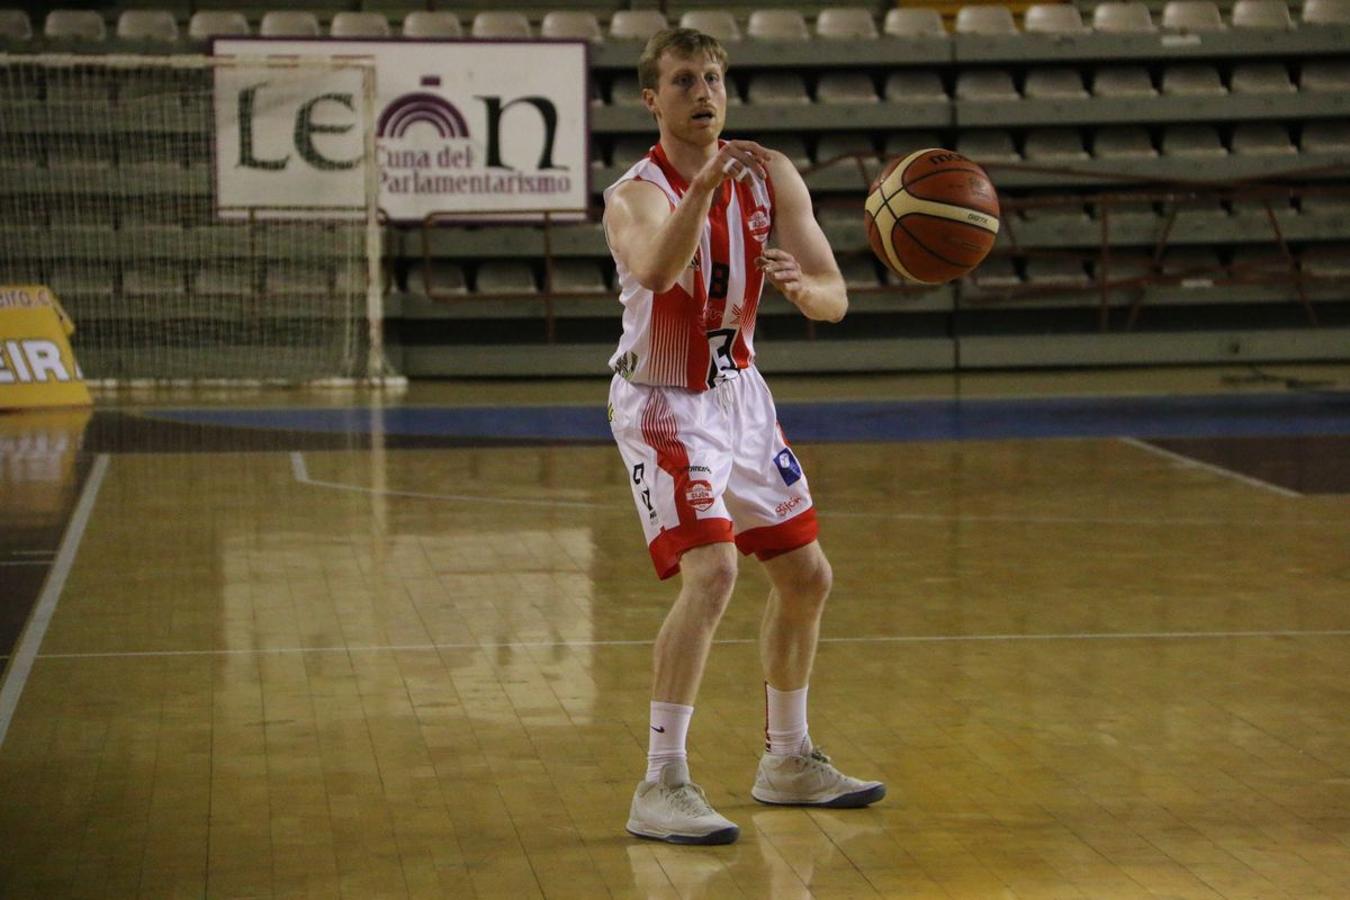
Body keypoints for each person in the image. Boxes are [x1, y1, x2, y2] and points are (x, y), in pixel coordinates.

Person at [603, 27, 886, 846]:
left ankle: (788, 759)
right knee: (716, 569)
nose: (705, 93)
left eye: (715, 78)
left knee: (806, 576)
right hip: (662, 399)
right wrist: (705, 190)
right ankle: (660, 783)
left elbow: (837, 296)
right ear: (652, 99)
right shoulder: (636, 193)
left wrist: (806, 291)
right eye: (685, 80)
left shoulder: (771, 174)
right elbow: (656, 270)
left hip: (739, 394)